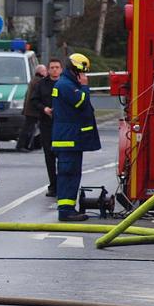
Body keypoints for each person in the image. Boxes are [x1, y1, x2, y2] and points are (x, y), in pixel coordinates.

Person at [52, 53, 100, 222]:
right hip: (68, 140)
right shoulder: (66, 85)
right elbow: (80, 102)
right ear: (75, 70)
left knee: (72, 175)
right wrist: (85, 87)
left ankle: (68, 209)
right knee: (68, 176)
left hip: (71, 140)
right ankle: (66, 211)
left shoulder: (69, 83)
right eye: (81, 72)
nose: (83, 76)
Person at [30, 58, 62, 197]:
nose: (54, 70)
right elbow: (34, 100)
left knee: (62, 156)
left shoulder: (65, 84)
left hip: (62, 125)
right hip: (46, 124)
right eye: (52, 67)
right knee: (49, 156)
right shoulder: (42, 84)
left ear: (61, 69)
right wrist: (44, 109)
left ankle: (62, 184)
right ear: (48, 70)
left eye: (57, 67)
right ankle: (53, 186)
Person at [15, 64, 46, 151]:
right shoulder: (38, 81)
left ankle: (27, 145)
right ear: (40, 72)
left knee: (29, 128)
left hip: (30, 109)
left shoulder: (34, 80)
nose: (46, 72)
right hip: (32, 110)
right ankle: (22, 146)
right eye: (44, 71)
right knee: (28, 128)